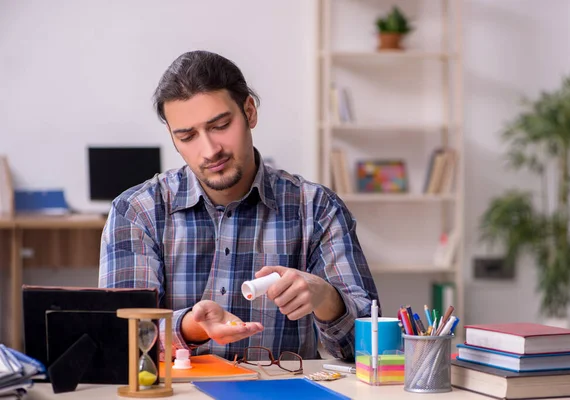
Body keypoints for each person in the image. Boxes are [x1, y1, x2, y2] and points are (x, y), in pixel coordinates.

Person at [98, 50, 379, 361]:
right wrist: (193, 327)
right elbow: (121, 346)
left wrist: (327, 298)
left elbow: (370, 349)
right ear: (173, 137)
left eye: (220, 125)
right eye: (188, 136)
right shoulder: (137, 212)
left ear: (250, 111)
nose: (209, 150)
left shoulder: (316, 208)